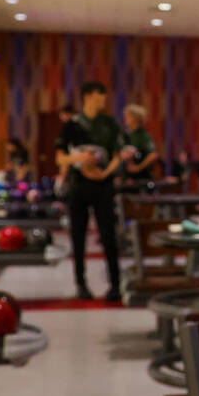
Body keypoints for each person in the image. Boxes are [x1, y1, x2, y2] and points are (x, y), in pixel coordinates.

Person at [56, 82, 125, 301]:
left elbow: (119, 155)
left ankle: (115, 284)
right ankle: (81, 284)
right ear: (87, 97)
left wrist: (106, 174)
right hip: (78, 186)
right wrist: (80, 158)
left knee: (108, 235)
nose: (103, 100)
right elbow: (60, 157)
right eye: (99, 96)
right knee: (78, 236)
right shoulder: (73, 124)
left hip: (103, 185)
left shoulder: (110, 124)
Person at [121, 104, 160, 181]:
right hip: (127, 177)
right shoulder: (126, 135)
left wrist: (138, 168)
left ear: (135, 118)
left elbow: (153, 155)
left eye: (128, 116)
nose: (125, 118)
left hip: (141, 177)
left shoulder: (143, 136)